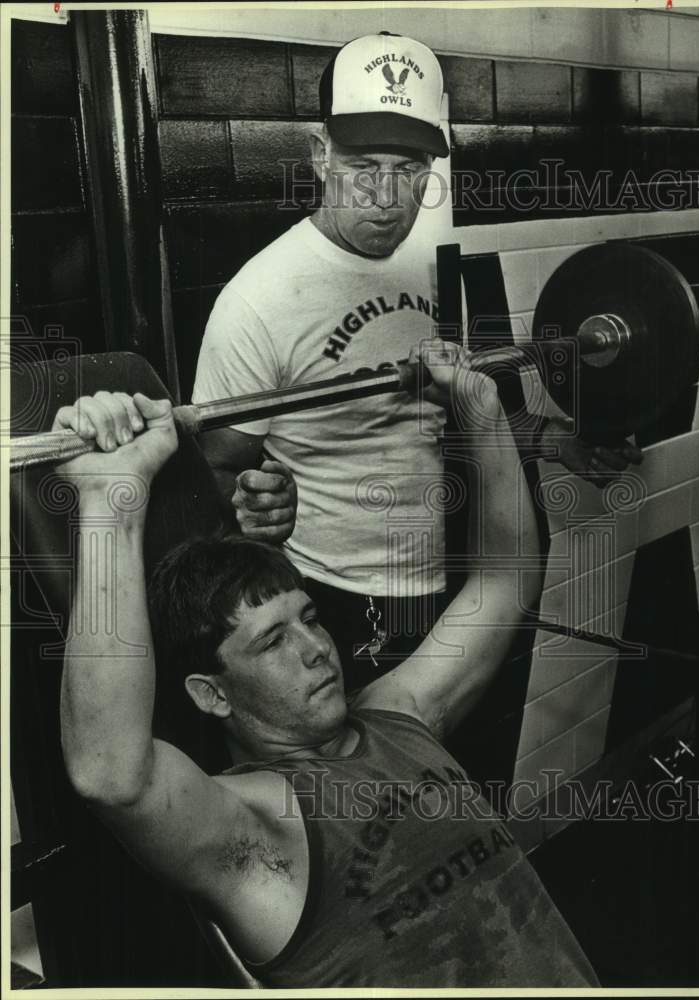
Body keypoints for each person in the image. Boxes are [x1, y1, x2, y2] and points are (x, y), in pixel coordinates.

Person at [56, 342, 598, 988]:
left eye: (309, 620)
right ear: (212, 694)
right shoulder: (257, 832)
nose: (316, 648)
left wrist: (478, 408)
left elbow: (504, 583)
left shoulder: (399, 716)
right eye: (271, 641)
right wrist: (113, 499)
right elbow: (109, 773)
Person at [192, 31, 641, 692]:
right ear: (319, 155)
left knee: (444, 776)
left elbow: (442, 418)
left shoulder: (435, 271)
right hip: (330, 599)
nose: (386, 195)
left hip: (448, 582)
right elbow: (216, 469)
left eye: (407, 170)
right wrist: (252, 505)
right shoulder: (256, 301)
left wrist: (558, 441)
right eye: (363, 165)